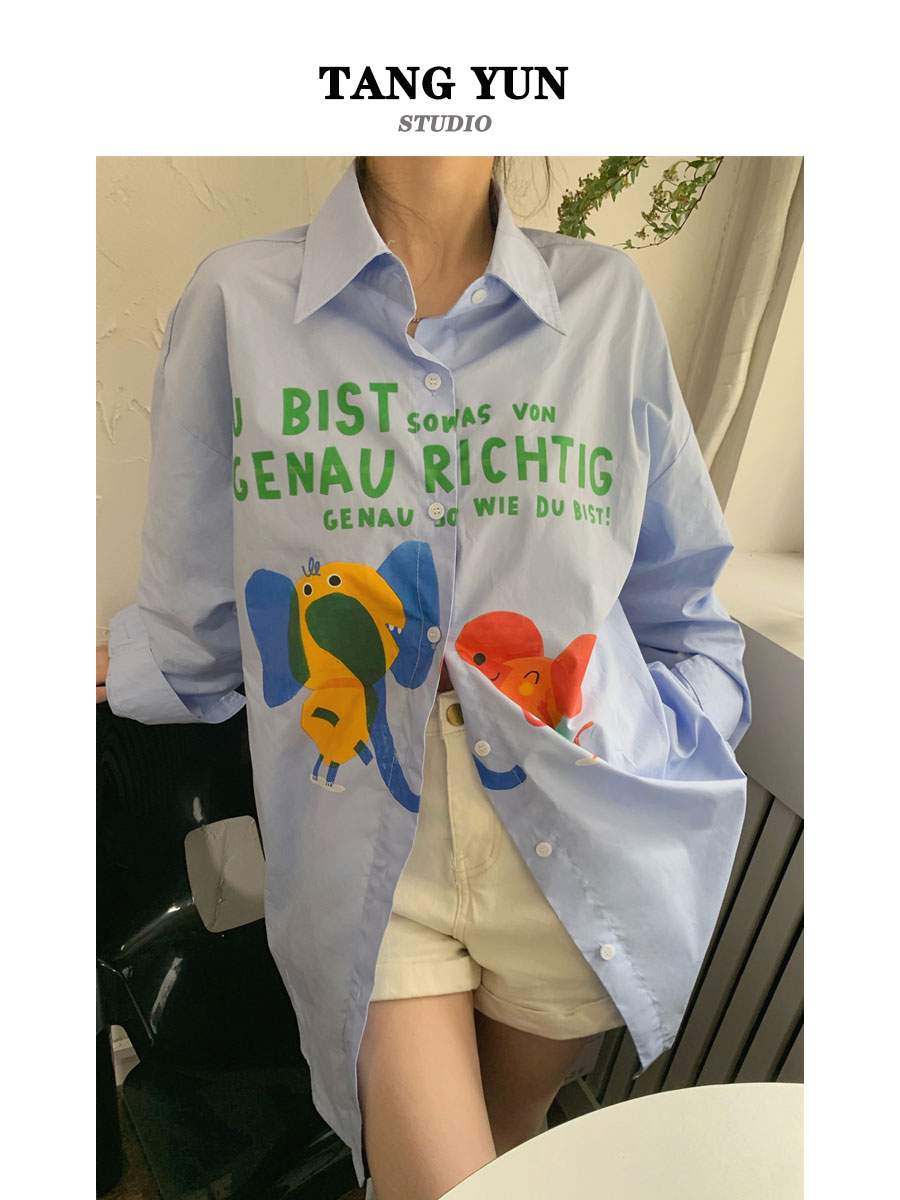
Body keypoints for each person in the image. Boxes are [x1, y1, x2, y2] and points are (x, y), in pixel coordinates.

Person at [97, 156, 751, 1200]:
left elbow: (683, 611)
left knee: (512, 1152)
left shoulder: (605, 305)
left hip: (574, 834)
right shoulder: (238, 303)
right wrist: (125, 664)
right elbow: (205, 620)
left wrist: (660, 752)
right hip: (369, 843)